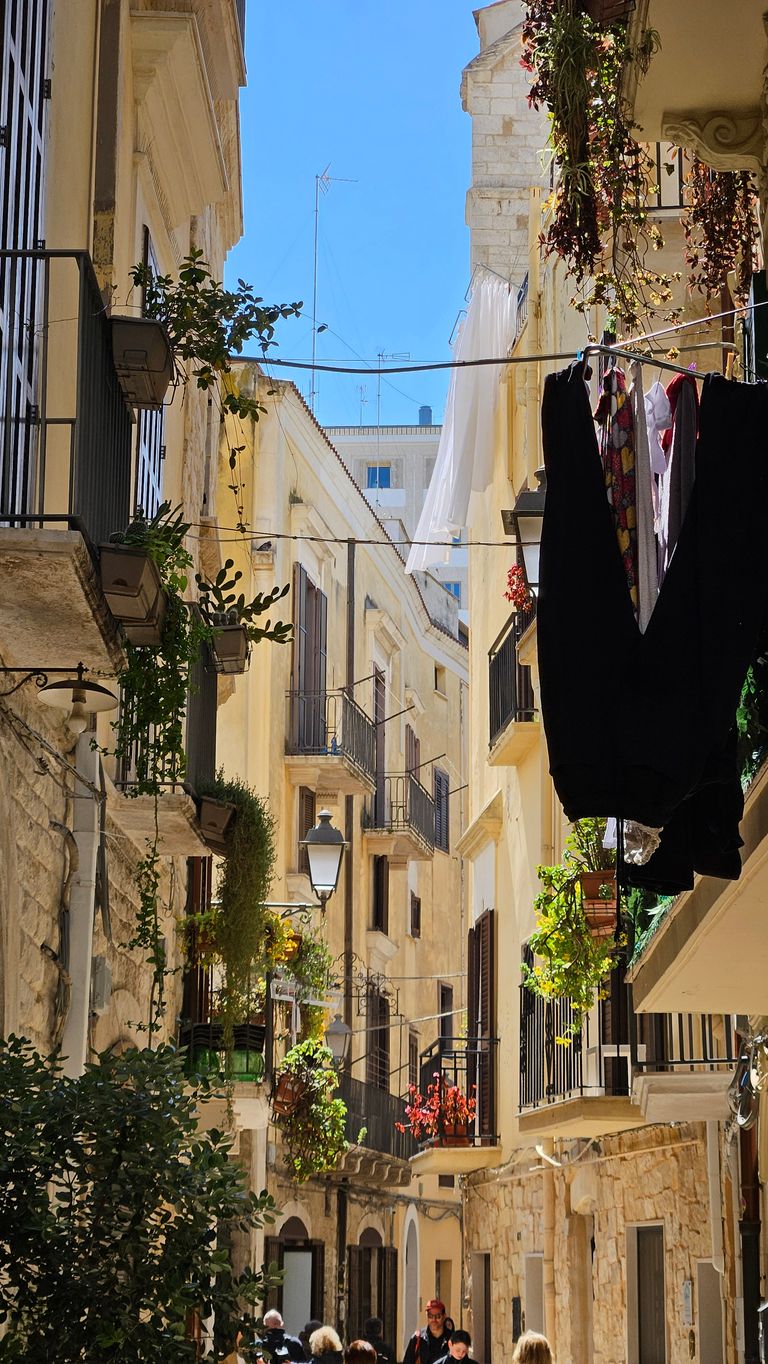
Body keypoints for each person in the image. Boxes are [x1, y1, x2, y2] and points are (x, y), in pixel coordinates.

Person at [402, 1299, 450, 1364]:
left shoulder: (452, 1338)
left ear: (444, 1316)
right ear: (427, 1316)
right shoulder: (417, 1339)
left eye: (438, 1316)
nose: (434, 1319)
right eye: (430, 1316)